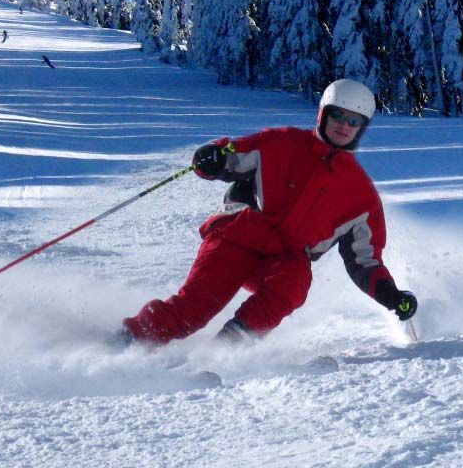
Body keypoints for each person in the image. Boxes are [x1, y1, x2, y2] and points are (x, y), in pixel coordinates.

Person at [121, 78, 417, 344]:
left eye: (354, 121)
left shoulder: (360, 194)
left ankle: (228, 347)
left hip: (283, 258)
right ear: (323, 113)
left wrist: (390, 295)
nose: (344, 125)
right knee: (193, 312)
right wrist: (212, 157)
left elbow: (365, 260)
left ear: (361, 128)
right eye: (338, 115)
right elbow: (232, 155)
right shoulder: (283, 142)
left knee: (295, 281)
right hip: (236, 237)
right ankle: (128, 340)